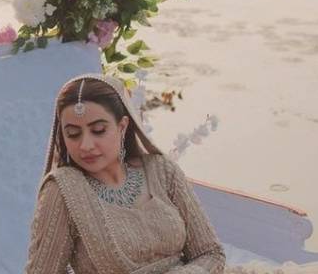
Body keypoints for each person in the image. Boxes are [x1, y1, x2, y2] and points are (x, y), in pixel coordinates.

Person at [24, 73, 226, 274]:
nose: (85, 145)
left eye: (98, 130)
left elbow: (210, 253)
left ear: (122, 126)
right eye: (73, 134)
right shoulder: (64, 190)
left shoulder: (162, 170)